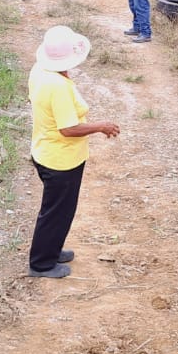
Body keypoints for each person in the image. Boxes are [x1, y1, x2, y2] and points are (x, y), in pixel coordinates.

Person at [26, 26, 121, 278]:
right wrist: (100, 126)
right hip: (60, 161)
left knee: (59, 211)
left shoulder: (39, 70)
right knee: (56, 212)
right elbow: (68, 129)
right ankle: (41, 264)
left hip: (45, 151)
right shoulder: (57, 86)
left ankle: (51, 250)